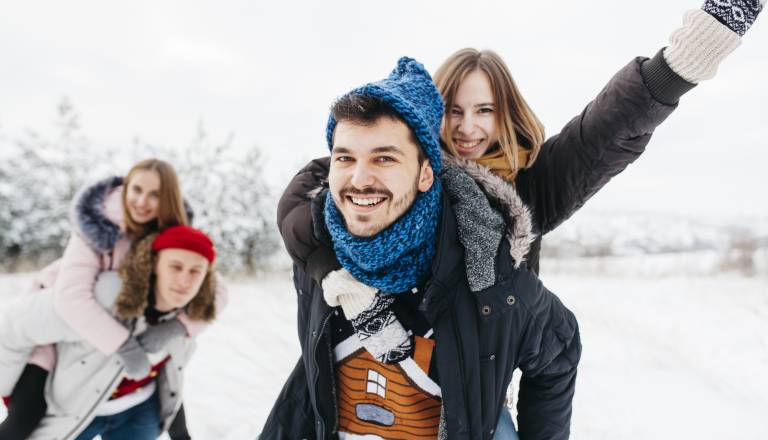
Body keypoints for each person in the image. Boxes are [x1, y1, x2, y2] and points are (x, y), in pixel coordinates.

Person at [274, 2, 763, 437]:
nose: (467, 127)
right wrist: (327, 269)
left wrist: (674, 68)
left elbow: (602, 136)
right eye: (453, 110)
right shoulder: (384, 168)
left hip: (475, 394)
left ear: (504, 114)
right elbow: (302, 203)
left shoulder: (527, 191)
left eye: (484, 110)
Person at [261, 55, 581, 439]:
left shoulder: (486, 272)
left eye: (384, 158)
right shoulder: (320, 245)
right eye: (345, 157)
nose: (359, 179)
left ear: (427, 172)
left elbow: (559, 352)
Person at [0, 159, 226, 439]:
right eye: (136, 189)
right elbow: (71, 299)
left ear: (167, 199)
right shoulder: (96, 228)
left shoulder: (173, 234)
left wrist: (178, 326)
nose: (141, 201)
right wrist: (124, 345)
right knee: (25, 417)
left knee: (167, 370)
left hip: (124, 327)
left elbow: (214, 290)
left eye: (154, 194)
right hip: (57, 326)